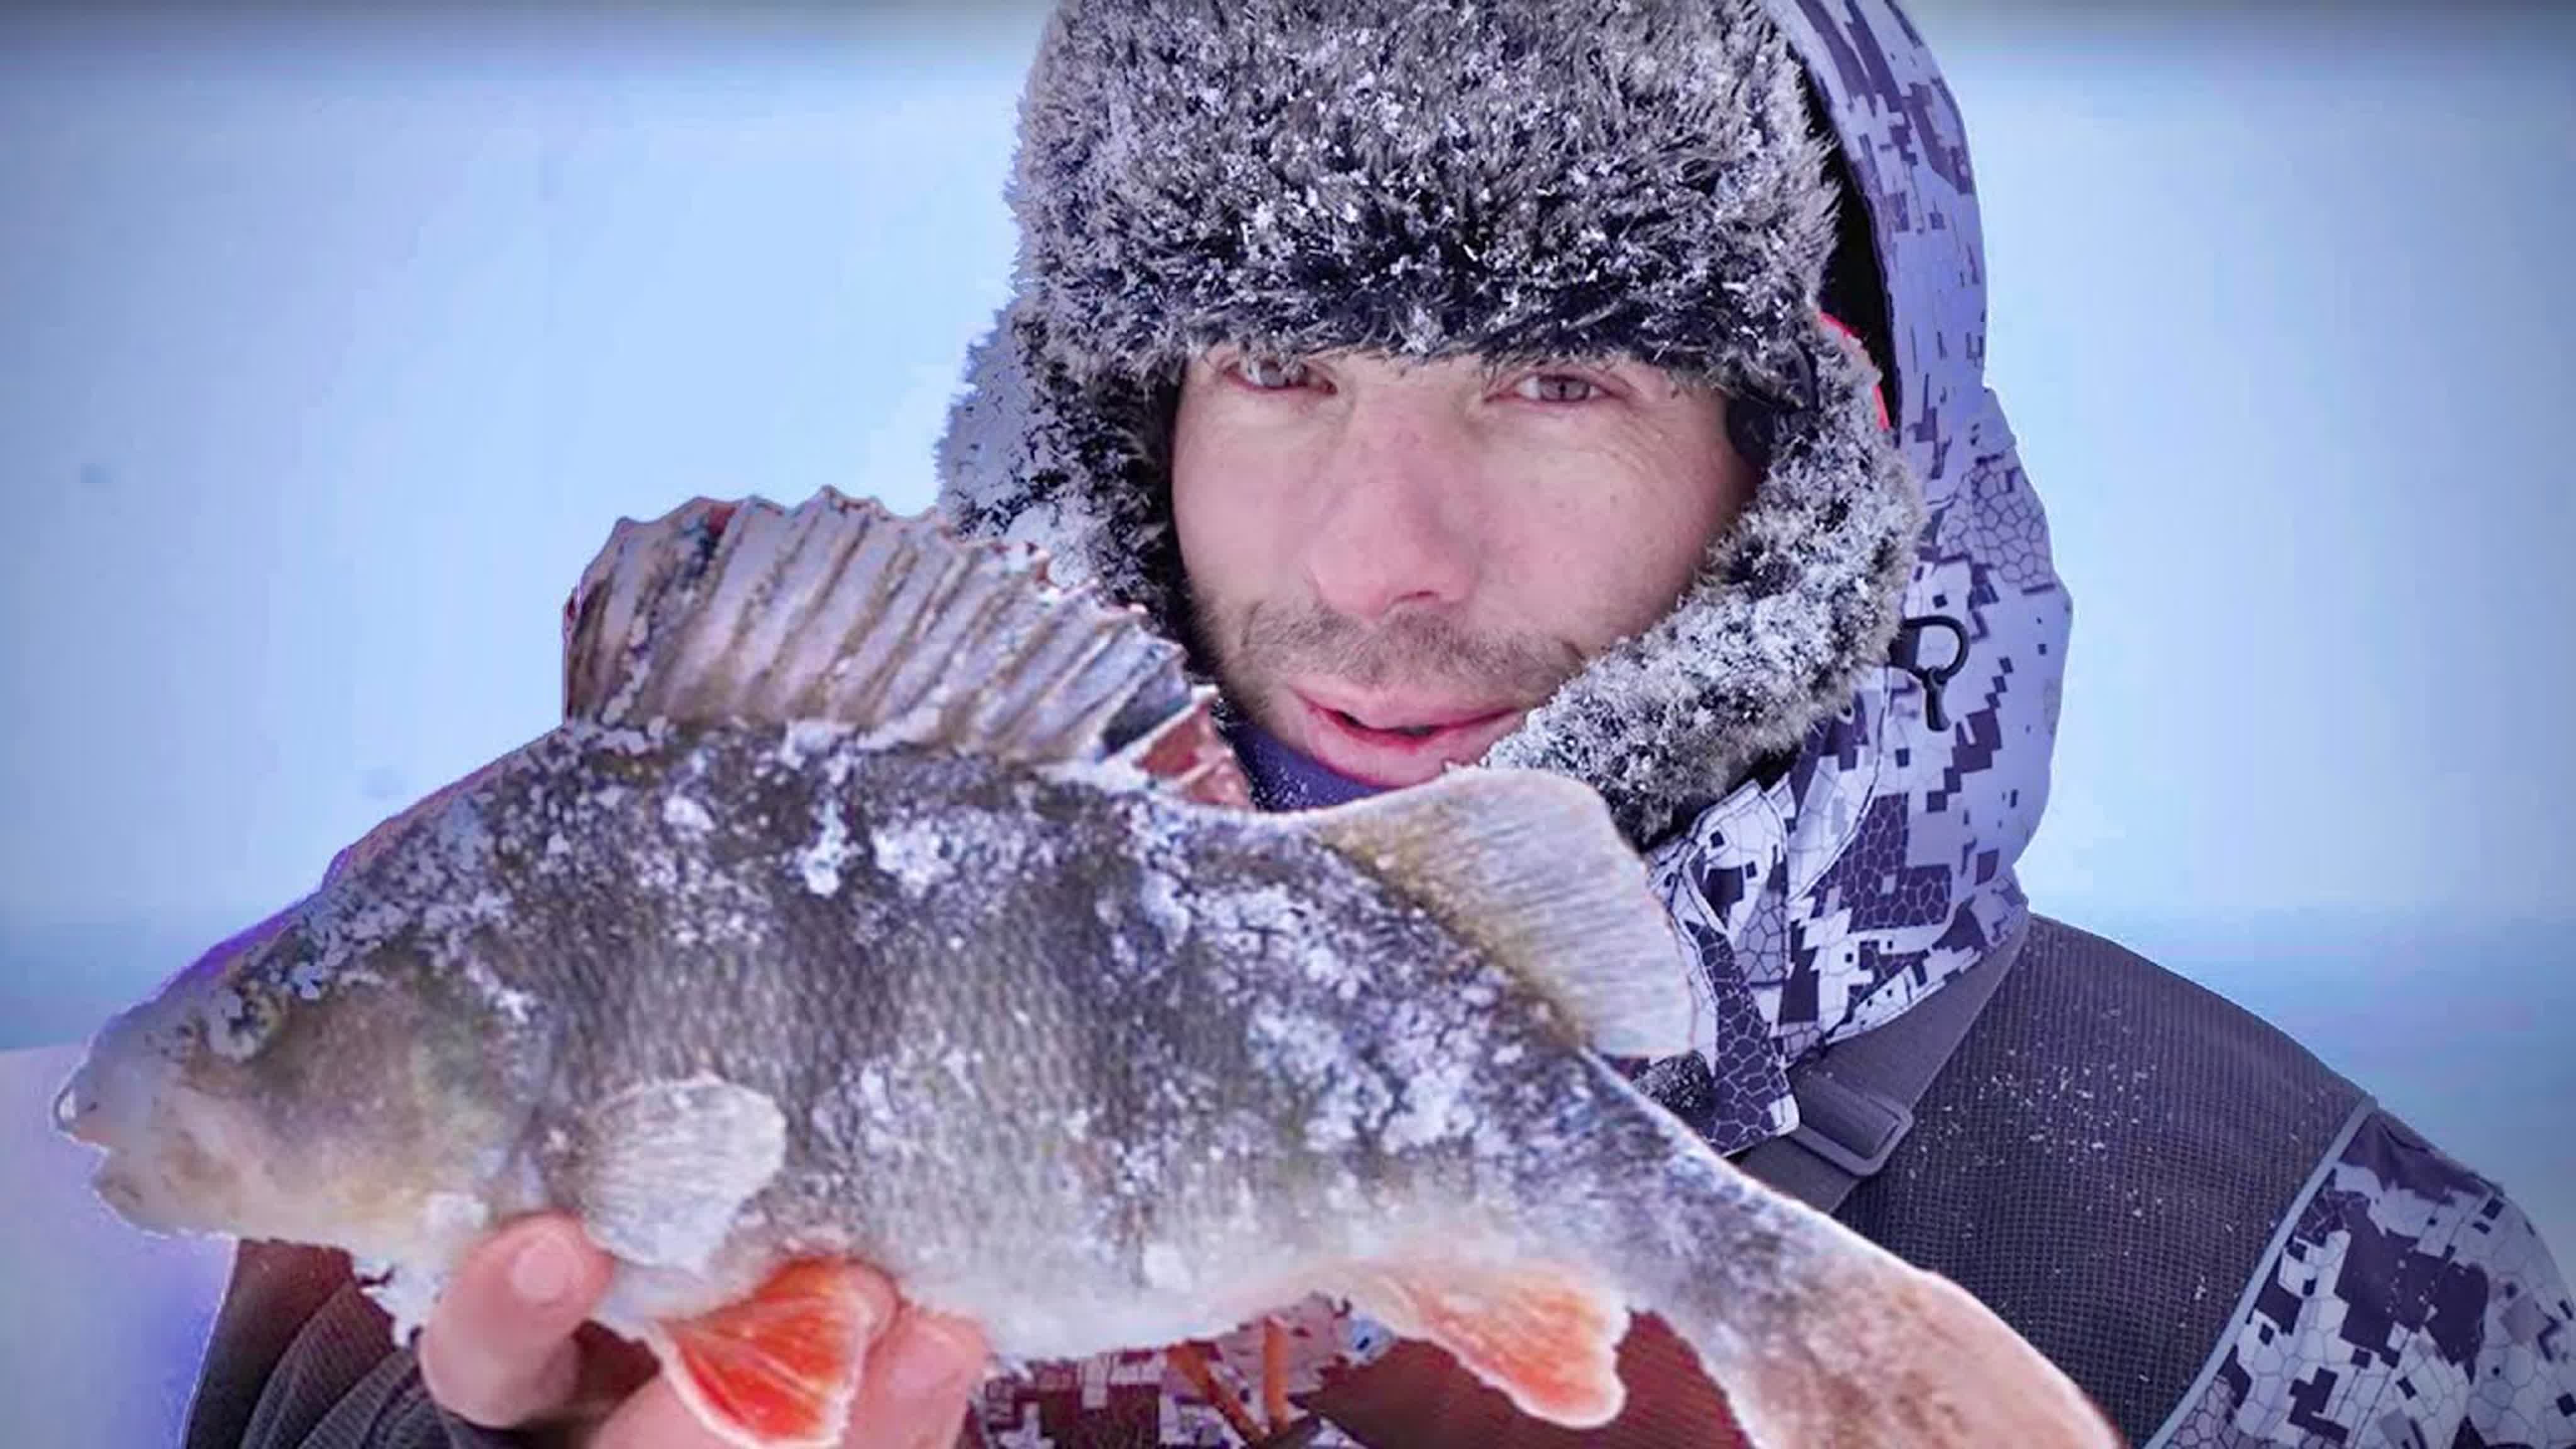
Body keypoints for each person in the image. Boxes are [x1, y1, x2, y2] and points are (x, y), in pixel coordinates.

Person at [186, 0, 2575, 1446]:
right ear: (1130, 408)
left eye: (1557, 377)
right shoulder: (552, 998)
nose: (1380, 556)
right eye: (1278, 364)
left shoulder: (2340, 1294)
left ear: (1820, 442)